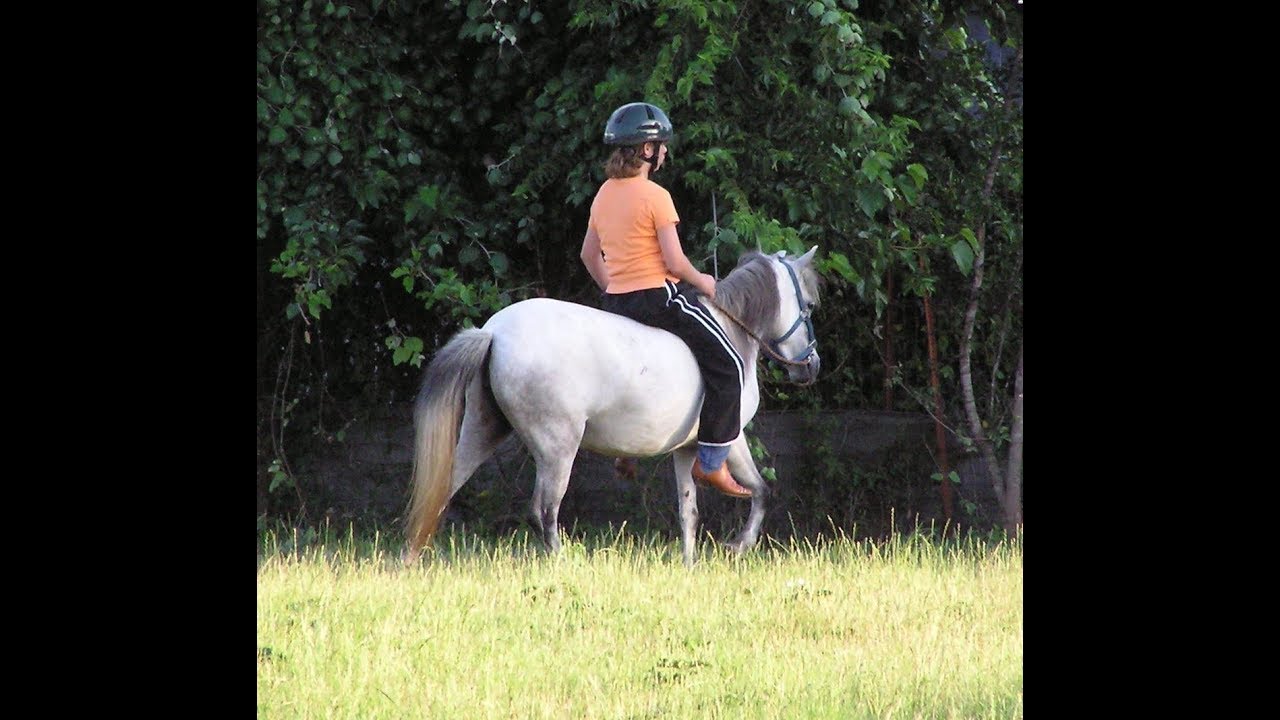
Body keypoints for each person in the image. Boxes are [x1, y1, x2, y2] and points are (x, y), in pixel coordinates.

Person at [579, 101, 752, 499]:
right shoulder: (656, 196)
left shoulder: (603, 194)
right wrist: (704, 281)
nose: (665, 152)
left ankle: (625, 450)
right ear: (646, 150)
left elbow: (588, 255)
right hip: (660, 299)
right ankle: (712, 462)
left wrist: (613, 288)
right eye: (661, 145)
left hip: (617, 303)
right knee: (729, 365)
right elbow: (674, 262)